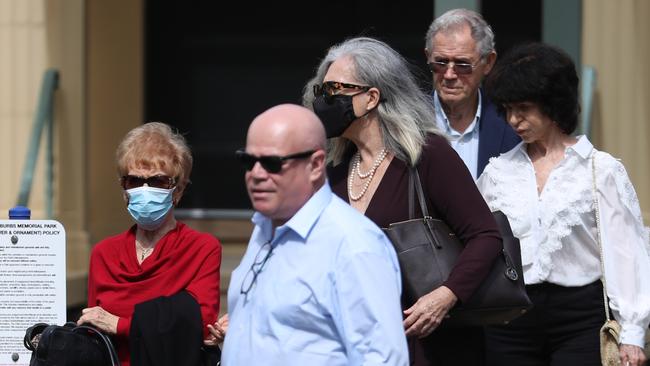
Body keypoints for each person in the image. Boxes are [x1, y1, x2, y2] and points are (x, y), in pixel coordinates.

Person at [302, 36, 502, 365]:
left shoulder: (427, 156)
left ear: (371, 97)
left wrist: (445, 296)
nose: (324, 101)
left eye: (335, 89)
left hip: (428, 343)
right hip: (356, 344)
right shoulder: (334, 174)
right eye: (321, 91)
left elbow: (485, 236)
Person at [477, 42, 650, 366]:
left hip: (581, 319)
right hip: (509, 320)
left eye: (524, 107)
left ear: (553, 105)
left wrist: (633, 333)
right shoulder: (497, 172)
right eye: (508, 109)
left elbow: (626, 254)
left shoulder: (600, 169)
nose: (514, 119)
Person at [218, 104, 408, 366]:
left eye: (273, 163)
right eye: (249, 161)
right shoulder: (265, 229)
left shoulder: (354, 244)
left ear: (316, 164)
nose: (257, 174)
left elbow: (382, 359)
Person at [77, 122, 222, 366]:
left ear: (178, 189)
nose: (144, 190)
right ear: (124, 189)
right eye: (133, 181)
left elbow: (199, 324)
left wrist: (120, 324)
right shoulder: (104, 253)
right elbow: (94, 330)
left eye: (157, 182)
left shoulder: (202, 248)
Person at [424, 8, 520, 180]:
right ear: (428, 57)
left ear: (488, 63)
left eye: (462, 65)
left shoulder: (512, 125)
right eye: (440, 63)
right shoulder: (407, 122)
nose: (449, 75)